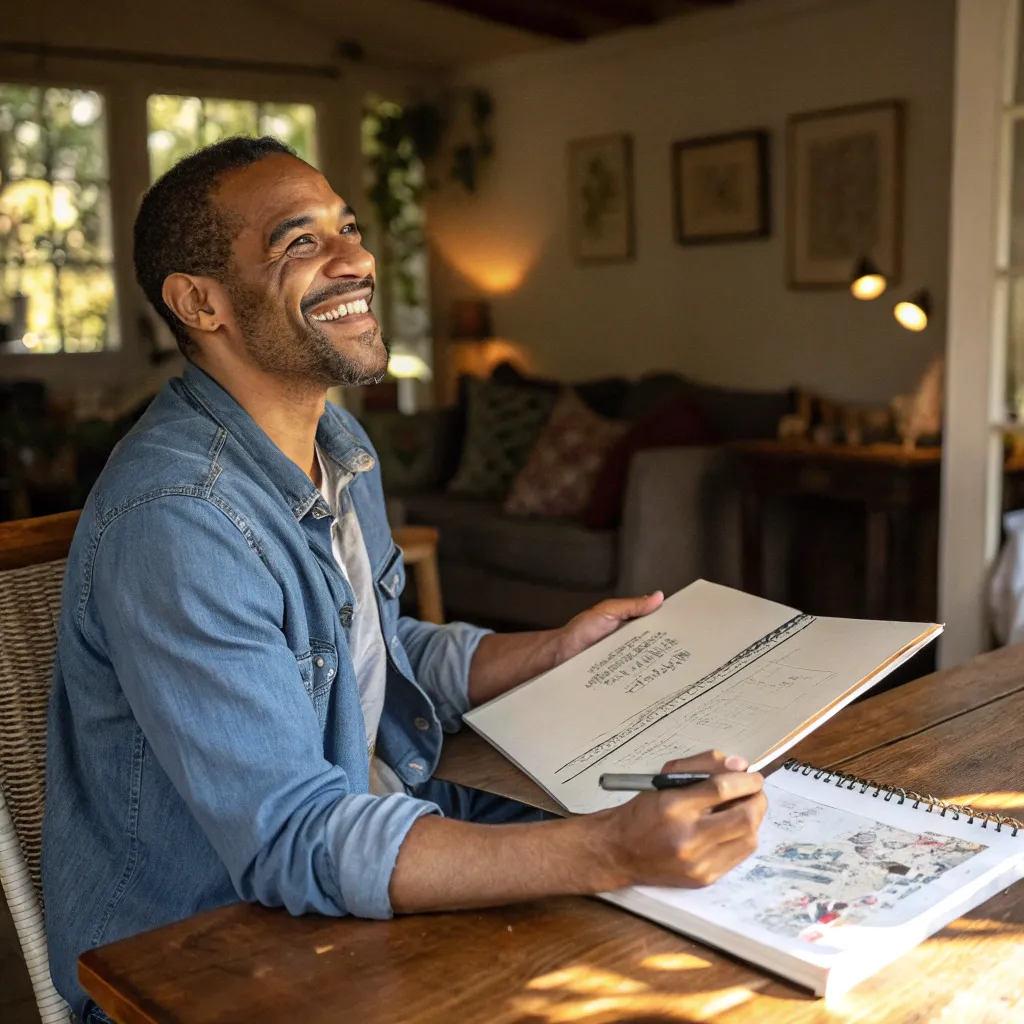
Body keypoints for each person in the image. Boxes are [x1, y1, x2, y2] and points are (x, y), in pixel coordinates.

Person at [41, 136, 767, 1019]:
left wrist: (551, 650)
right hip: (209, 948)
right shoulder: (179, 518)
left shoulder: (336, 446)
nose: (357, 260)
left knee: (730, 885)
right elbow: (293, 839)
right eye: (299, 243)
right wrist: (608, 849)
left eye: (347, 228)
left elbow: (367, 648)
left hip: (370, 820)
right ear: (200, 301)